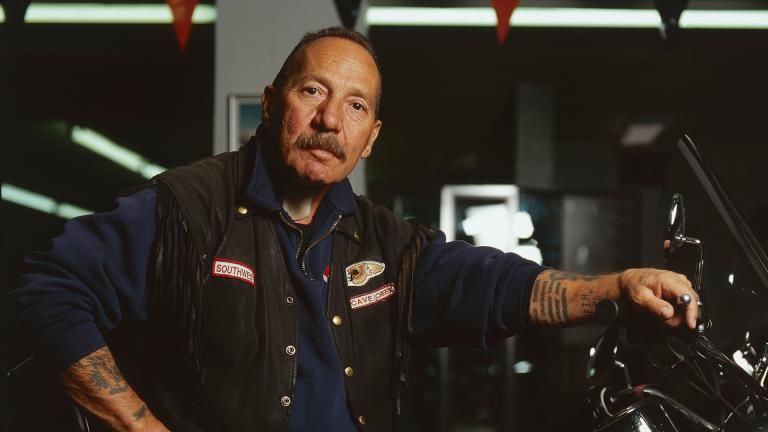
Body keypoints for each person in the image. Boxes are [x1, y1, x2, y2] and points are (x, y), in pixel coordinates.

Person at [9, 27, 699, 432]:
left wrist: (616, 285)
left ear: (369, 139)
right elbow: (47, 290)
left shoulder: (384, 243)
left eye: (355, 105)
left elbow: (491, 283)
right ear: (272, 105)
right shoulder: (187, 209)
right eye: (313, 92)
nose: (330, 119)